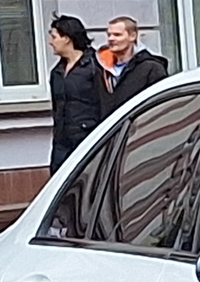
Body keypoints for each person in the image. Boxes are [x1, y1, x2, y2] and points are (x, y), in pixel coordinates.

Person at [47, 15, 106, 171]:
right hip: (62, 143)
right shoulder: (57, 72)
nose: (50, 42)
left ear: (66, 38)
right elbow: (57, 108)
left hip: (89, 140)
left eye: (54, 37)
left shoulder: (95, 67)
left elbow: (106, 104)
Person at [98, 15, 170, 116]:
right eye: (109, 35)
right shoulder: (101, 69)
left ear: (133, 36)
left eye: (117, 35)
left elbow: (160, 105)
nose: (111, 39)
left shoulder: (151, 68)